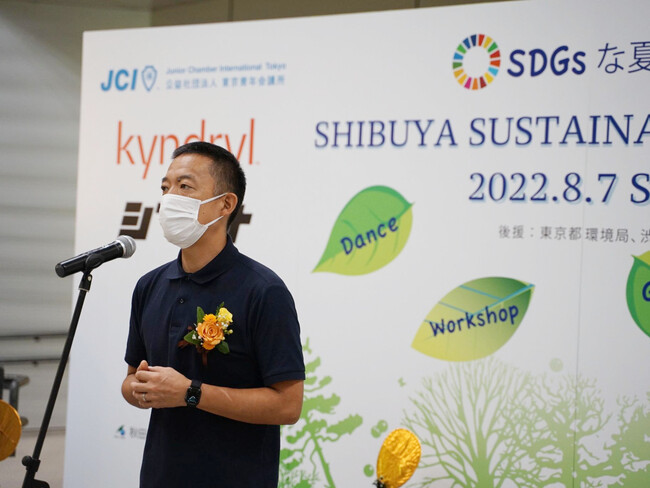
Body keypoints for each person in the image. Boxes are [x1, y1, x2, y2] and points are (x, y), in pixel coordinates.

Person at [121, 141, 305, 488]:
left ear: (226, 204)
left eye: (184, 186)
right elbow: (130, 381)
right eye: (165, 187)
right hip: (160, 477)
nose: (169, 199)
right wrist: (141, 389)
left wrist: (189, 393)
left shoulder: (263, 291)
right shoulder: (149, 286)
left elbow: (288, 406)